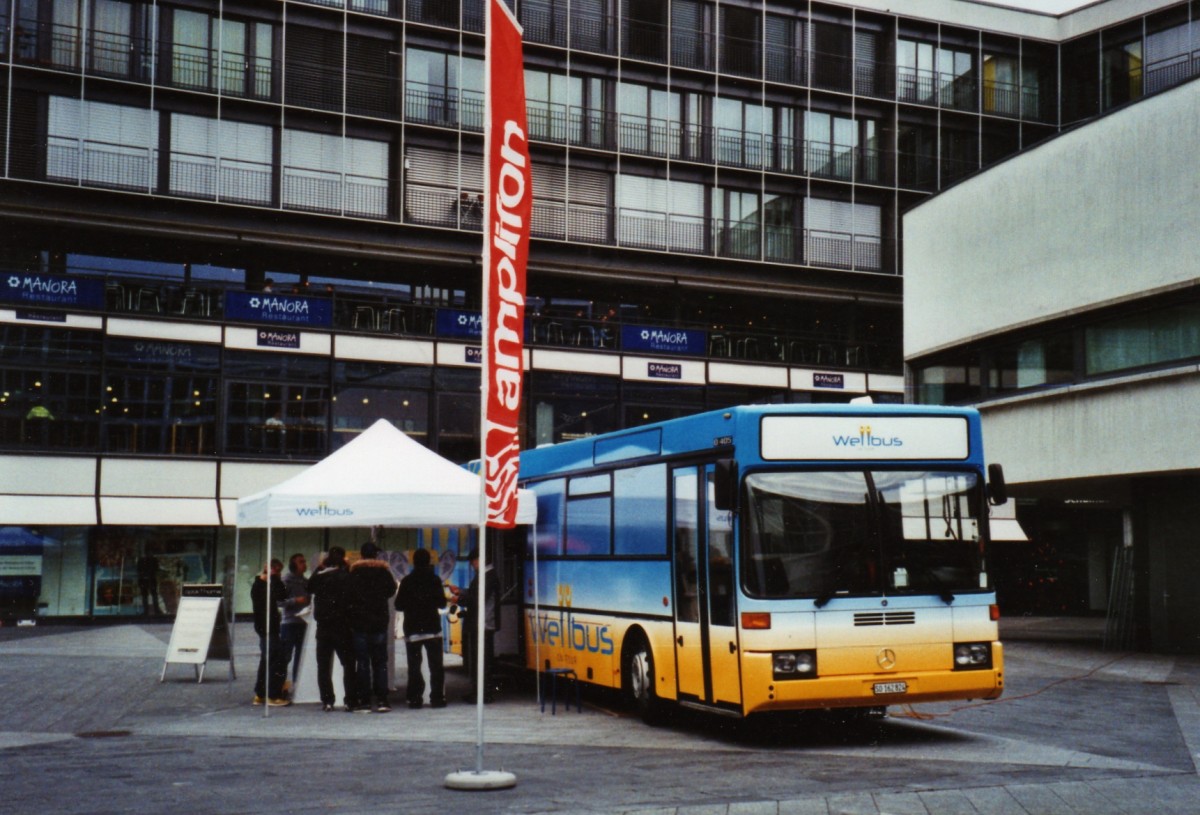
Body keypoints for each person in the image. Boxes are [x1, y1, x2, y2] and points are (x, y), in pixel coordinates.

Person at [394, 548, 447, 709]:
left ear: (413, 562)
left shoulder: (407, 581)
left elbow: (399, 605)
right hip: (433, 629)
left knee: (415, 667)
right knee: (436, 666)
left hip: (413, 630)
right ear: (429, 562)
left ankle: (415, 698)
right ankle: (437, 698)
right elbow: (442, 604)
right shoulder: (435, 580)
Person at [347, 542, 398, 712]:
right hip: (379, 622)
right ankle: (382, 700)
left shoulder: (354, 573)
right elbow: (391, 590)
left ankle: (365, 701)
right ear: (376, 555)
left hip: (360, 623)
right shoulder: (383, 572)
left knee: (362, 662)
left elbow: (349, 594)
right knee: (380, 662)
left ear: (361, 555)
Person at [307, 547, 358, 713]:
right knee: (348, 664)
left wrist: (318, 568)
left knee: (323, 666)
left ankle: (327, 700)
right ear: (343, 559)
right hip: (343, 626)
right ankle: (350, 700)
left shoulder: (320, 578)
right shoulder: (347, 578)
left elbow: (309, 587)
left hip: (323, 628)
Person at [451, 547, 500, 703]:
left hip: (482, 623)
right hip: (482, 623)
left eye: (473, 562)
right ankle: (479, 692)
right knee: (480, 660)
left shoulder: (487, 576)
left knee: (481, 661)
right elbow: (475, 594)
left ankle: (482, 693)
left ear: (479, 560)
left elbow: (477, 599)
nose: (472, 565)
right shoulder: (487, 575)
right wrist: (461, 592)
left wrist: (458, 599)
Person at [252, 559, 290, 707]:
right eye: (277, 570)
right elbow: (281, 595)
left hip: (266, 627)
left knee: (266, 660)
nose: (278, 573)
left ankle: (260, 693)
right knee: (276, 660)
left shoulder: (259, 585)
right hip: (268, 628)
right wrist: (275, 579)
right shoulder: (262, 586)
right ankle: (273, 694)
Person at [279, 553, 310, 690]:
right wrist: (295, 600)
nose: (304, 564)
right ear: (293, 565)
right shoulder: (286, 581)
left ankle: (297, 683)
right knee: (286, 654)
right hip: (290, 622)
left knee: (301, 655)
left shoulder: (305, 581)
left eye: (304, 561)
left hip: (303, 621)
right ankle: (279, 683)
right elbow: (279, 601)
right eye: (301, 562)